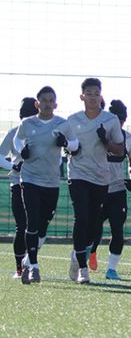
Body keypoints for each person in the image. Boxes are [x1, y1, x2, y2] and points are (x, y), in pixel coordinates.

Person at [14, 89, 77, 284]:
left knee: (44, 224)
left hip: (51, 181)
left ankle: (27, 259)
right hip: (30, 179)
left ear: (56, 104)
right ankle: (34, 266)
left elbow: (75, 144)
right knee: (32, 221)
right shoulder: (28, 123)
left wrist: (65, 142)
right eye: (44, 101)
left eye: (51, 101)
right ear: (37, 104)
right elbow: (18, 140)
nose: (48, 104)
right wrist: (21, 150)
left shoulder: (62, 123)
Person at [65, 78, 124, 284]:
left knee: (92, 222)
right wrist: (69, 147)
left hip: (101, 177)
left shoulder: (111, 120)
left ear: (101, 96)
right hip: (78, 174)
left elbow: (120, 149)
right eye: (88, 93)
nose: (92, 97)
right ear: (82, 96)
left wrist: (105, 140)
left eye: (96, 93)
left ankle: (77, 253)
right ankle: (83, 268)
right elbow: (66, 144)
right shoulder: (71, 120)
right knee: (81, 217)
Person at [90, 99, 131, 280]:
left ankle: (111, 268)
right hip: (97, 189)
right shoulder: (98, 135)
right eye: (116, 118)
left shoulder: (129, 139)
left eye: (122, 119)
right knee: (93, 229)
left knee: (117, 230)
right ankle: (91, 252)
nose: (119, 122)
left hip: (117, 191)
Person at [0, 97, 39, 278]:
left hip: (42, 184)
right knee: (21, 225)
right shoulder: (14, 132)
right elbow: (1, 156)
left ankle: (30, 263)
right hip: (18, 184)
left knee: (38, 226)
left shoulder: (44, 133)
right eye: (25, 115)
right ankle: (19, 268)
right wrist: (14, 166)